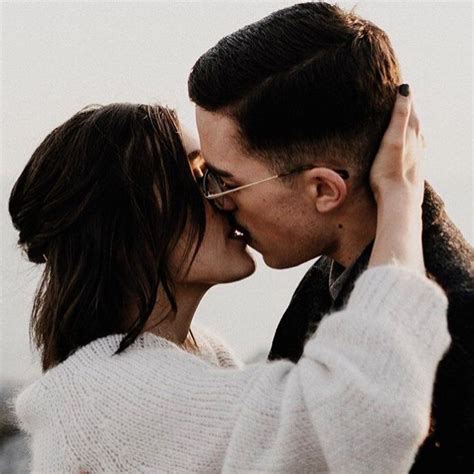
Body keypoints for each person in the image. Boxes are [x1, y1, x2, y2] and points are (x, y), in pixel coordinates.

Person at [11, 93, 448, 472]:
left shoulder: (196, 355)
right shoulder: (107, 397)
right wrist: (399, 196)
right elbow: (361, 419)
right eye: (196, 179)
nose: (223, 196)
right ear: (125, 233)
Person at [188, 3, 474, 472]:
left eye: (225, 182)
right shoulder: (325, 282)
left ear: (323, 189)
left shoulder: (458, 334)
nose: (215, 201)